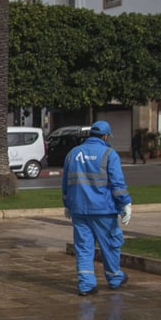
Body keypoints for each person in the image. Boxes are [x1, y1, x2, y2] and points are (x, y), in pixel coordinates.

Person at [61, 120, 131, 296]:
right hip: (103, 210)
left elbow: (66, 184)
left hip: (79, 209)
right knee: (110, 245)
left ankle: (86, 285)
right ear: (106, 136)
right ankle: (114, 278)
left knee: (84, 247)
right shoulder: (109, 154)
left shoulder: (73, 154)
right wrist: (125, 203)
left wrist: (67, 205)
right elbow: (117, 183)